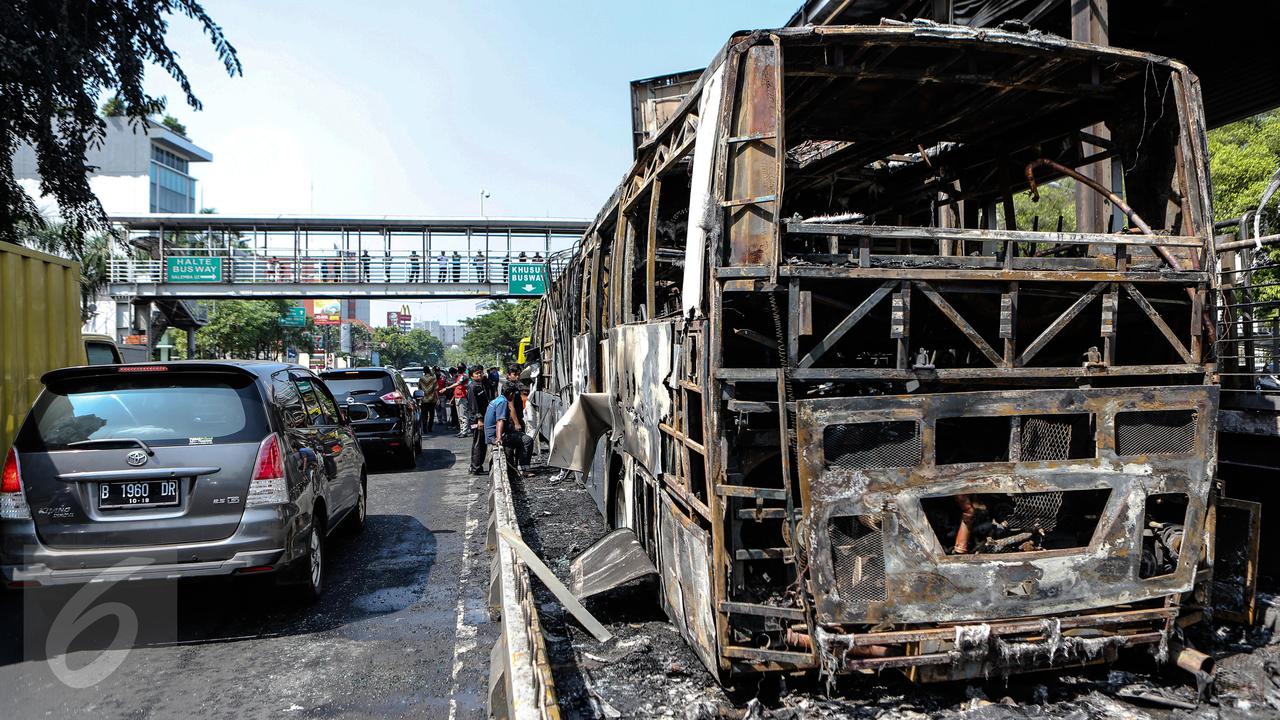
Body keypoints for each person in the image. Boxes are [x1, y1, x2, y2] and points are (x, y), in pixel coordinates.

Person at [487, 384, 534, 474]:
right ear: (511, 394)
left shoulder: (497, 400)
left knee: (520, 437)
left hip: (493, 433)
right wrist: (499, 438)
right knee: (527, 440)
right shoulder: (503, 402)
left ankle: (519, 466)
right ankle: (524, 469)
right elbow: (500, 420)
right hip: (495, 436)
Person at [466, 365, 491, 474]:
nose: (479, 374)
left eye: (481, 372)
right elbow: (474, 405)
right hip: (476, 420)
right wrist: (479, 419)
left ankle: (478, 465)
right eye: (477, 373)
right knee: (478, 443)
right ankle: (475, 467)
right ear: (472, 375)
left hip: (484, 418)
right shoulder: (473, 387)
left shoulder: (481, 384)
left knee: (482, 443)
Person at [449, 366, 470, 436]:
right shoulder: (459, 376)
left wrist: (446, 388)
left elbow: (458, 383)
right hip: (458, 397)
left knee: (463, 415)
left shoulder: (464, 376)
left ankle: (464, 431)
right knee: (460, 416)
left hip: (462, 397)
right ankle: (462, 430)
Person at [420, 368, 436, 433]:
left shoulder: (421, 379)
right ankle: (429, 428)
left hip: (423, 400)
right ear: (429, 371)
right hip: (432, 400)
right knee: (431, 415)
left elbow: (419, 388)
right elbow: (436, 389)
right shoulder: (433, 379)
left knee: (424, 415)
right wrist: (437, 398)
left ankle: (424, 428)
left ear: (424, 372)